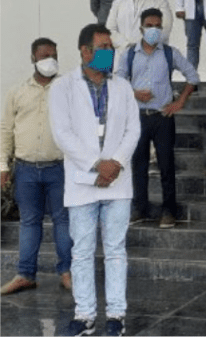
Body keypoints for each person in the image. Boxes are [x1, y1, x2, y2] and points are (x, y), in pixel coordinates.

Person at [49, 24, 141, 337]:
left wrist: (114, 164)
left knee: (116, 250)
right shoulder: (63, 87)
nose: (110, 53)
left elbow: (133, 130)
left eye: (111, 48)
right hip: (81, 181)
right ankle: (85, 315)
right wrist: (97, 165)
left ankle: (116, 315)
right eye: (103, 47)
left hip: (117, 181)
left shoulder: (123, 87)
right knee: (82, 251)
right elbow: (62, 134)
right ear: (85, 51)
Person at [0, 38, 72, 296]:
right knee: (29, 221)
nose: (50, 60)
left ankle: (67, 272)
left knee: (63, 220)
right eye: (44, 56)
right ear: (33, 58)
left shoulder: (67, 90)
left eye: (54, 55)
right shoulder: (17, 92)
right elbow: (6, 129)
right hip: (26, 170)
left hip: (59, 168)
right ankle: (25, 275)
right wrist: (2, 165)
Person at [117, 8, 200, 228]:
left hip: (163, 116)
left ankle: (168, 210)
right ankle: (139, 208)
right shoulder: (130, 54)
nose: (154, 30)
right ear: (141, 28)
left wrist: (180, 102)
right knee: (139, 165)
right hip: (137, 118)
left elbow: (193, 76)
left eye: (157, 26)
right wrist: (134, 93)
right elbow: (117, 82)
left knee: (166, 166)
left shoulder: (169, 53)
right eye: (149, 25)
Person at [106, 0, 173, 67]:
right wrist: (127, 46)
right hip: (123, 57)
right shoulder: (118, 3)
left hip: (151, 58)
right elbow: (110, 30)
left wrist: (142, 48)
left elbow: (164, 30)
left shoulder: (160, 2)